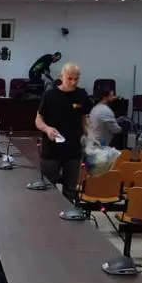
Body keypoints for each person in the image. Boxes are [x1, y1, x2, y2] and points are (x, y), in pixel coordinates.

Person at [34, 63, 92, 199]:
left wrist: (89, 135)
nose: (73, 82)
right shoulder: (50, 95)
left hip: (73, 150)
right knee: (48, 188)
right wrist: (47, 129)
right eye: (69, 78)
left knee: (70, 190)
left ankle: (68, 211)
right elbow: (38, 120)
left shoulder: (82, 95)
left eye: (76, 79)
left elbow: (84, 118)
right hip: (51, 150)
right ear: (61, 77)